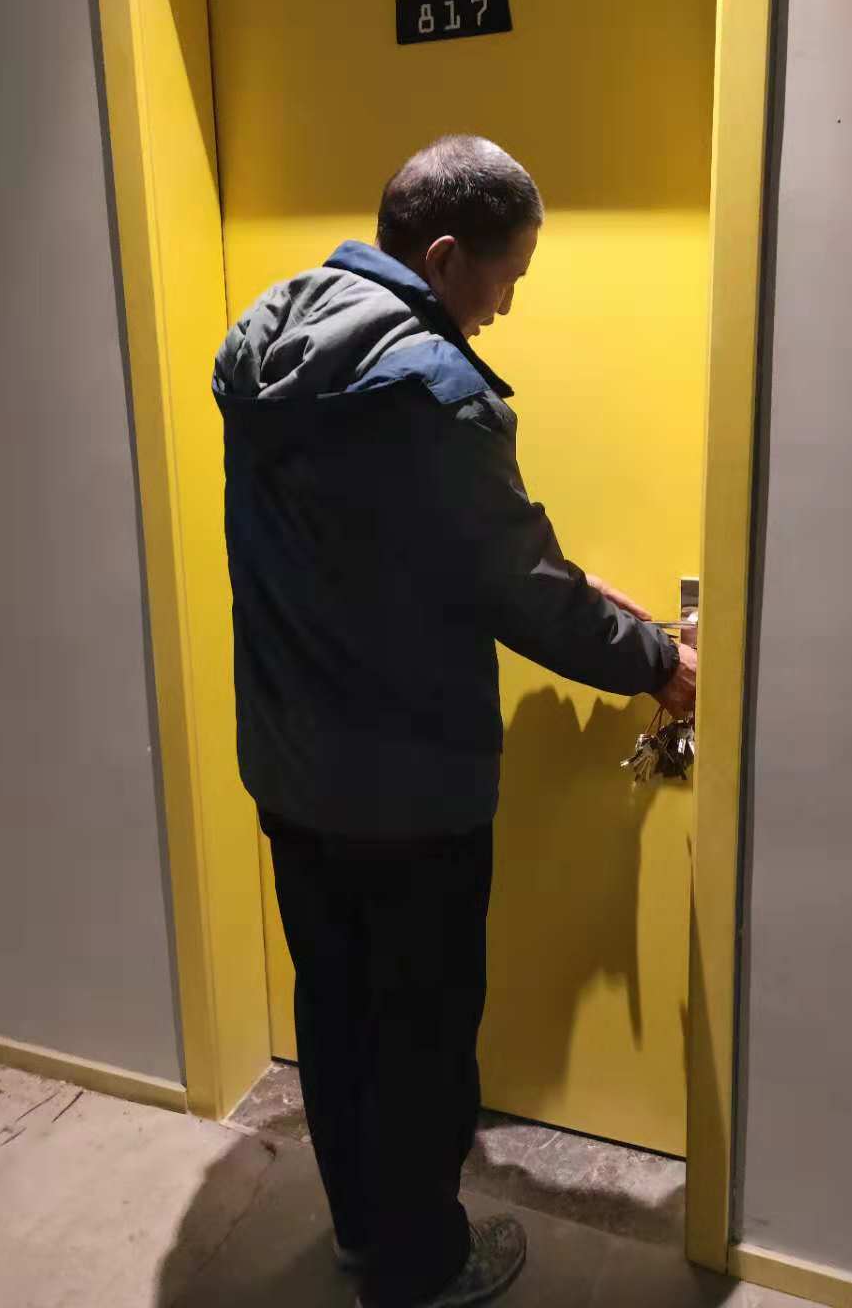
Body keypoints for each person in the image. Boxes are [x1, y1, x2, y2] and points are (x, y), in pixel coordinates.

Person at [213, 135, 697, 1308]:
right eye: (506, 274)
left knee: (335, 1008)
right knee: (423, 1032)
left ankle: (360, 1230)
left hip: (290, 765)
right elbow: (513, 586)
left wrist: (555, 586)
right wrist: (656, 661)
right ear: (442, 256)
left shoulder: (267, 338)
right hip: (410, 789)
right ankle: (421, 1267)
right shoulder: (435, 391)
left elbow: (398, 550)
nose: (506, 304)